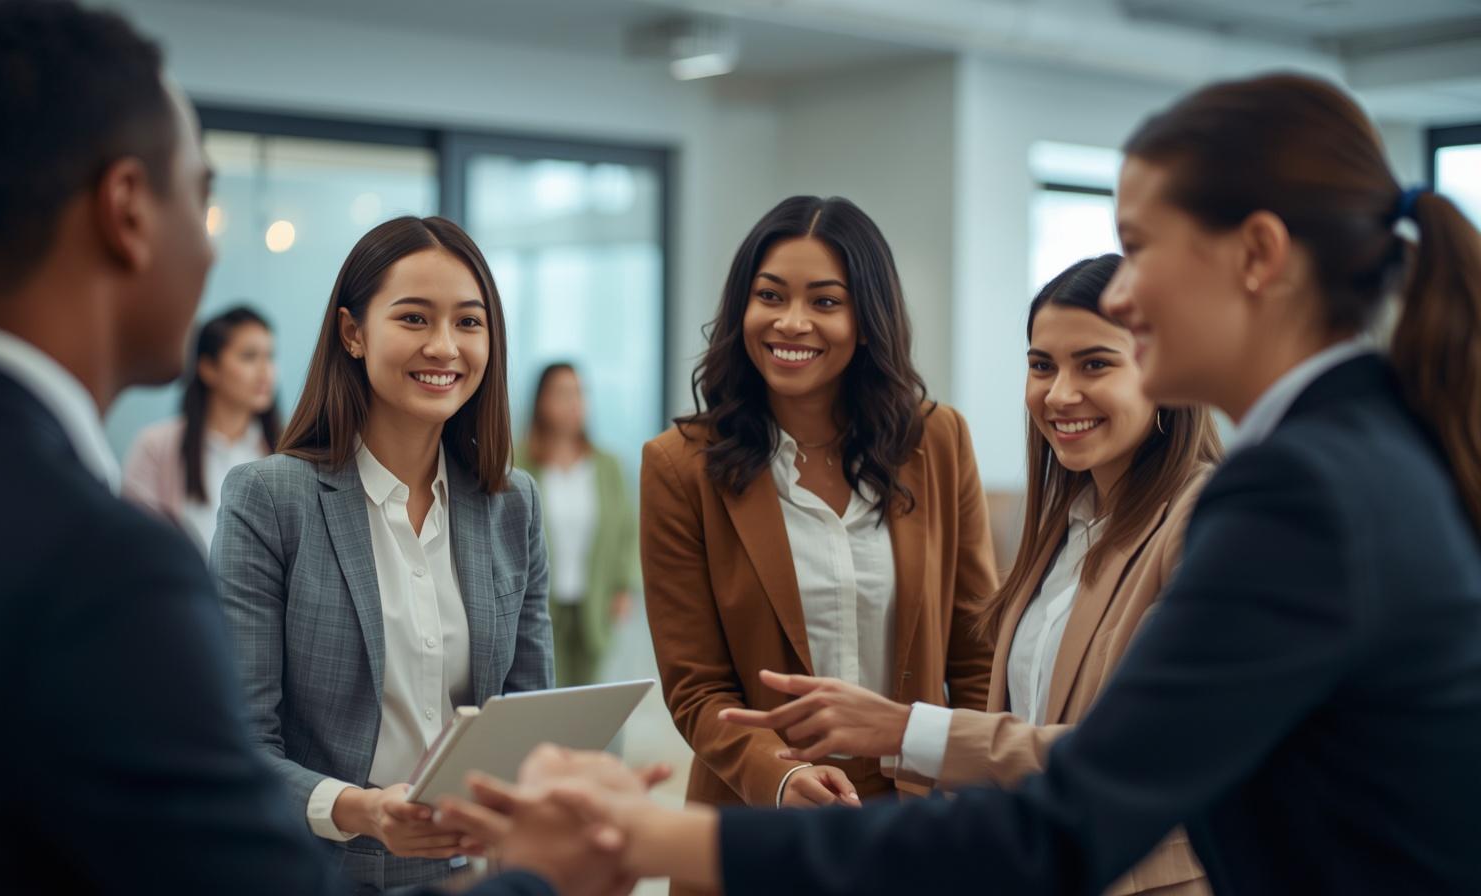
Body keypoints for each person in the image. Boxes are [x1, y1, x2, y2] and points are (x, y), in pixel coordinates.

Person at [445, 73, 1481, 896]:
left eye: (1135, 249)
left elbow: (1067, 815)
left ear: (1257, 253)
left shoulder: (1294, 487)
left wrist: (649, 832)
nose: (1116, 292)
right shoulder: (1363, 449)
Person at [0, 2, 569, 893]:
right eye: (201, 197)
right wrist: (546, 876)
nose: (209, 254)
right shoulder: (107, 563)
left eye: (469, 322)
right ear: (129, 211)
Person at [719, 253, 1221, 895]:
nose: (1059, 393)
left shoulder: (1204, 522)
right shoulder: (1067, 525)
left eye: (1095, 363)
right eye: (1041, 365)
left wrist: (904, 729)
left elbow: (1131, 759)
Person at [212, 215, 554, 892]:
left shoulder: (513, 505)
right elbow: (238, 746)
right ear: (352, 332)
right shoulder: (270, 499)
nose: (444, 347)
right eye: (414, 318)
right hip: (318, 869)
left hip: (474, 872)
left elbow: (530, 719)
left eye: (469, 322)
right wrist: (363, 811)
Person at [640, 195, 999, 829]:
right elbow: (696, 687)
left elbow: (976, 655)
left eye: (825, 302)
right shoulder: (680, 467)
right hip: (761, 816)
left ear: (866, 319)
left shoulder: (937, 441)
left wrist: (980, 798)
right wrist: (782, 775)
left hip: (918, 818)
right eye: (771, 296)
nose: (792, 323)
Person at [515, 362, 640, 687]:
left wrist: (625, 586)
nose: (574, 403)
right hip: (539, 604)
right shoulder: (518, 463)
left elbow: (628, 531)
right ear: (541, 401)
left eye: (580, 393)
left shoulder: (607, 466)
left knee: (594, 698)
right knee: (543, 692)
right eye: (563, 393)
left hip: (594, 598)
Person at [123, 304, 279, 551]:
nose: (266, 372)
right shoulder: (156, 446)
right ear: (208, 368)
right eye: (249, 356)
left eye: (269, 357)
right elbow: (135, 542)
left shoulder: (289, 448)